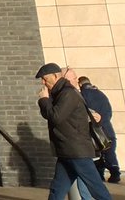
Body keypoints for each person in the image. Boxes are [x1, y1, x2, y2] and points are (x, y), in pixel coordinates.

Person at [35, 63, 110, 200]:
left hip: (76, 151)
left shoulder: (68, 93)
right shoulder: (59, 93)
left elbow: (55, 116)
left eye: (45, 79)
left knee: (96, 188)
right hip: (66, 151)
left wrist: (44, 100)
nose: (43, 82)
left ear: (56, 76)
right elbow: (50, 114)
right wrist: (46, 100)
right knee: (57, 189)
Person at [79, 75, 120, 182]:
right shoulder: (102, 95)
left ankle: (101, 175)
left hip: (94, 131)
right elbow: (108, 112)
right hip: (107, 129)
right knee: (109, 152)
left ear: (80, 84)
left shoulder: (82, 95)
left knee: (96, 154)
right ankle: (115, 173)